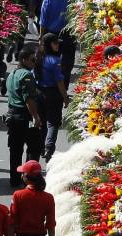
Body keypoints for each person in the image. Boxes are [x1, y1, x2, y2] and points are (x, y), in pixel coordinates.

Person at [5, 44, 42, 188]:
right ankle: (30, 178)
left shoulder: (13, 74)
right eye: (33, 60)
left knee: (15, 149)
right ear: (25, 60)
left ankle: (14, 179)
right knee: (34, 147)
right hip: (24, 116)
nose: (35, 63)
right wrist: (36, 117)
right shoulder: (26, 75)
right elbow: (29, 99)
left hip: (12, 116)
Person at [36, 33, 70, 162]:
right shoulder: (55, 61)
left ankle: (40, 147)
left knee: (42, 123)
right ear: (50, 44)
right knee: (53, 123)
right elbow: (59, 82)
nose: (58, 45)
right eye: (55, 43)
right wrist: (65, 98)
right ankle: (49, 147)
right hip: (53, 94)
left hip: (39, 93)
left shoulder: (38, 57)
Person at [39, 0, 77, 89]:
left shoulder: (48, 1)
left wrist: (41, 38)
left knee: (50, 62)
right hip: (69, 35)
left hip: (52, 35)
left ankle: (51, 87)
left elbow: (43, 21)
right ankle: (64, 88)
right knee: (67, 64)